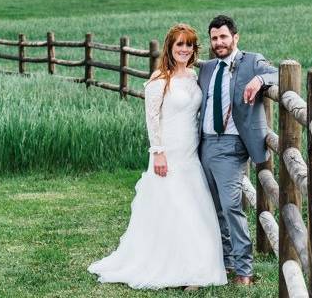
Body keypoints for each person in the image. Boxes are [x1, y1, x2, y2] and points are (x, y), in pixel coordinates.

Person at [88, 23, 227, 290]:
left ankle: (196, 266)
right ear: (170, 48)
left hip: (190, 152)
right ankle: (174, 268)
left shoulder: (195, 76)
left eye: (189, 45)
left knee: (194, 208)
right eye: (179, 44)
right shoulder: (159, 80)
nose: (184, 49)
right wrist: (158, 153)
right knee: (173, 207)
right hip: (169, 152)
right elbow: (152, 120)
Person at [198, 15, 278, 286]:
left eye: (223, 37)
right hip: (204, 144)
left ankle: (244, 271)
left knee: (232, 206)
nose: (219, 42)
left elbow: (278, 73)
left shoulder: (252, 60)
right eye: (214, 38)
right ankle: (225, 262)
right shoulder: (207, 68)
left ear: (235, 37)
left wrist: (259, 80)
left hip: (232, 146)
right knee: (214, 207)